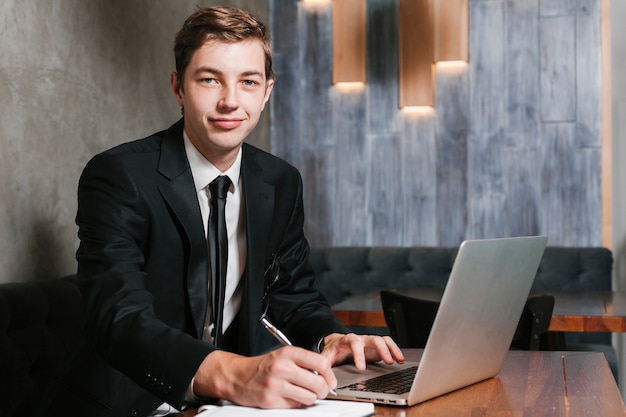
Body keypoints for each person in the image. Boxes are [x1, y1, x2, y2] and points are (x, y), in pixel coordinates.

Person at [39, 6, 404, 417]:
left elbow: (293, 297)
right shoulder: (119, 175)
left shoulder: (280, 181)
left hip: (223, 409)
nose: (230, 101)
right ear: (178, 88)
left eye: (248, 82)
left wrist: (330, 338)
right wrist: (234, 375)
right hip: (124, 403)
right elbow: (118, 317)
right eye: (210, 79)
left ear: (266, 91)